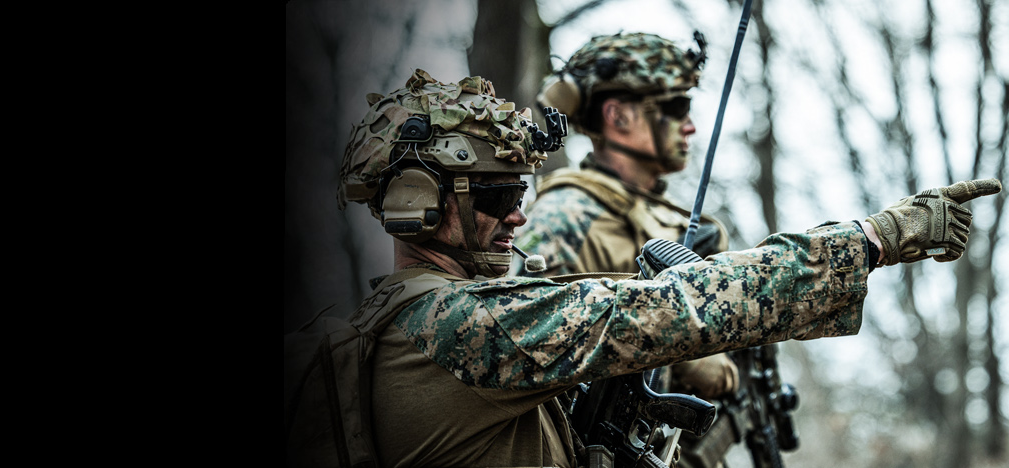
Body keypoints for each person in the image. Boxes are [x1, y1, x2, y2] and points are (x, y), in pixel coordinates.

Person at [304, 67, 1000, 468]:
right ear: (419, 204)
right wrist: (875, 237)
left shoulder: (398, 324)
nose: (518, 216)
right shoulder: (462, 327)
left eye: (520, 194)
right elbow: (680, 307)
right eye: (495, 197)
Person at [517, 32, 738, 467]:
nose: (690, 125)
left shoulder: (662, 218)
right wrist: (678, 345)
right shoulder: (567, 217)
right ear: (617, 116)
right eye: (676, 108)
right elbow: (529, 344)